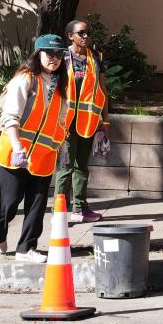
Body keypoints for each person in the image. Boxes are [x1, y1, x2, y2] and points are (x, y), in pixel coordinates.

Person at [0, 34, 71, 263]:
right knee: (8, 201)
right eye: (49, 54)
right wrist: (16, 147)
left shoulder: (61, 85)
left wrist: (62, 149)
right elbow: (10, 116)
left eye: (58, 54)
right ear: (38, 54)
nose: (54, 59)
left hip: (43, 156)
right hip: (14, 152)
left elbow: (62, 120)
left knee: (37, 205)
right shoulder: (26, 79)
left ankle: (27, 248)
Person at [55, 19, 109, 223]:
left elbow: (103, 92)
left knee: (82, 167)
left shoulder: (95, 57)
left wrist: (105, 122)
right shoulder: (62, 57)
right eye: (82, 33)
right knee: (65, 167)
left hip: (88, 123)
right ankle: (59, 212)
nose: (86, 37)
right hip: (66, 123)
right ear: (70, 36)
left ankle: (80, 208)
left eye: (88, 33)